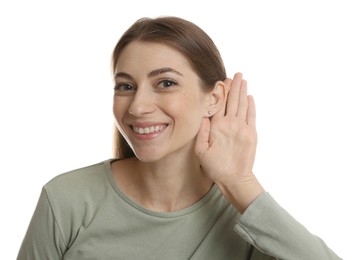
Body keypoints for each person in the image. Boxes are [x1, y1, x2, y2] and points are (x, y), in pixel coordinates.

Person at [17, 16, 341, 260]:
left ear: (214, 98)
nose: (138, 106)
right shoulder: (65, 200)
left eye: (166, 83)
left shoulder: (245, 218)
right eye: (125, 86)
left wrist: (240, 182)